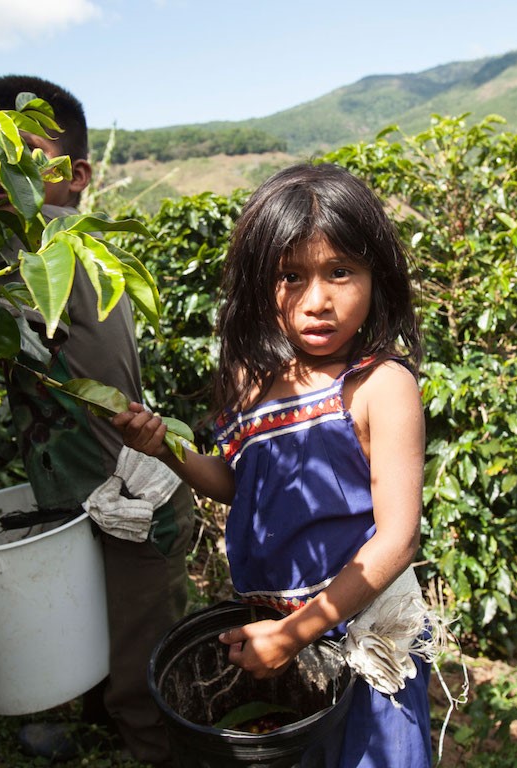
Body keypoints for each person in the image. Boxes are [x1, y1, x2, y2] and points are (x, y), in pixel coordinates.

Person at [0, 75, 194, 766]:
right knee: (93, 625)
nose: (1, 174)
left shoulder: (57, 242)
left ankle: (154, 747)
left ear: (77, 177)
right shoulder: (21, 252)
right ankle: (95, 721)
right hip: (88, 498)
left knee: (144, 671)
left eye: (27, 154)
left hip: (137, 507)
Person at [112, 163, 433, 767]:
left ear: (376, 277)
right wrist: (166, 450)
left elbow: (397, 539)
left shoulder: (379, 386)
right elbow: (243, 486)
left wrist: (295, 633)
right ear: (260, 286)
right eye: (291, 276)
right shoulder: (251, 381)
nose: (318, 302)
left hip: (351, 629)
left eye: (341, 272)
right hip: (277, 628)